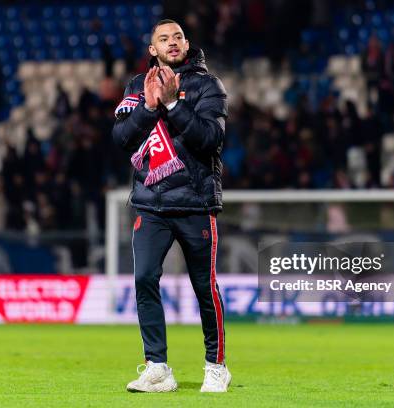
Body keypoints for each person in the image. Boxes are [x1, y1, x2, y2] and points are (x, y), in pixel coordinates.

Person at [112, 19, 230, 393]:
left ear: (186, 42)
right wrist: (149, 108)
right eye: (163, 39)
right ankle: (158, 368)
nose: (172, 43)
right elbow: (121, 138)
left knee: (203, 287)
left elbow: (211, 140)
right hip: (150, 204)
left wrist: (174, 104)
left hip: (196, 203)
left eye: (177, 37)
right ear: (153, 49)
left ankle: (216, 365)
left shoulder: (209, 85)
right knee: (144, 278)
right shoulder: (136, 86)